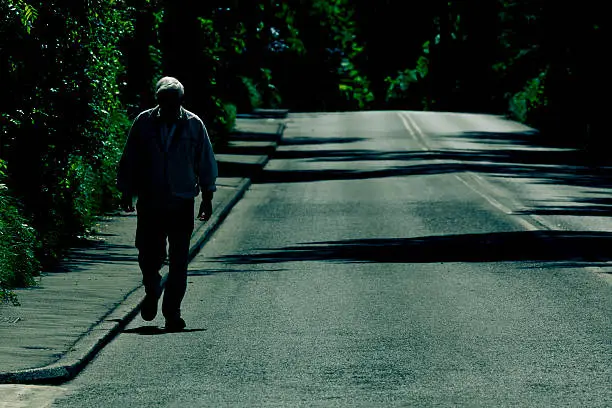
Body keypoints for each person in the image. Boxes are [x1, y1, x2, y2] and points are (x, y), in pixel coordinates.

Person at [117, 76, 218, 331]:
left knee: (179, 260)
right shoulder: (144, 122)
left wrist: (208, 194)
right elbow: (129, 157)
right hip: (151, 199)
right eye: (164, 101)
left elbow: (205, 160)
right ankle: (152, 288)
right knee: (148, 253)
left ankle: (172, 312)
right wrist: (126, 190)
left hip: (181, 200)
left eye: (173, 102)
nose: (169, 106)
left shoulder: (194, 125)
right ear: (157, 100)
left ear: (181, 101)